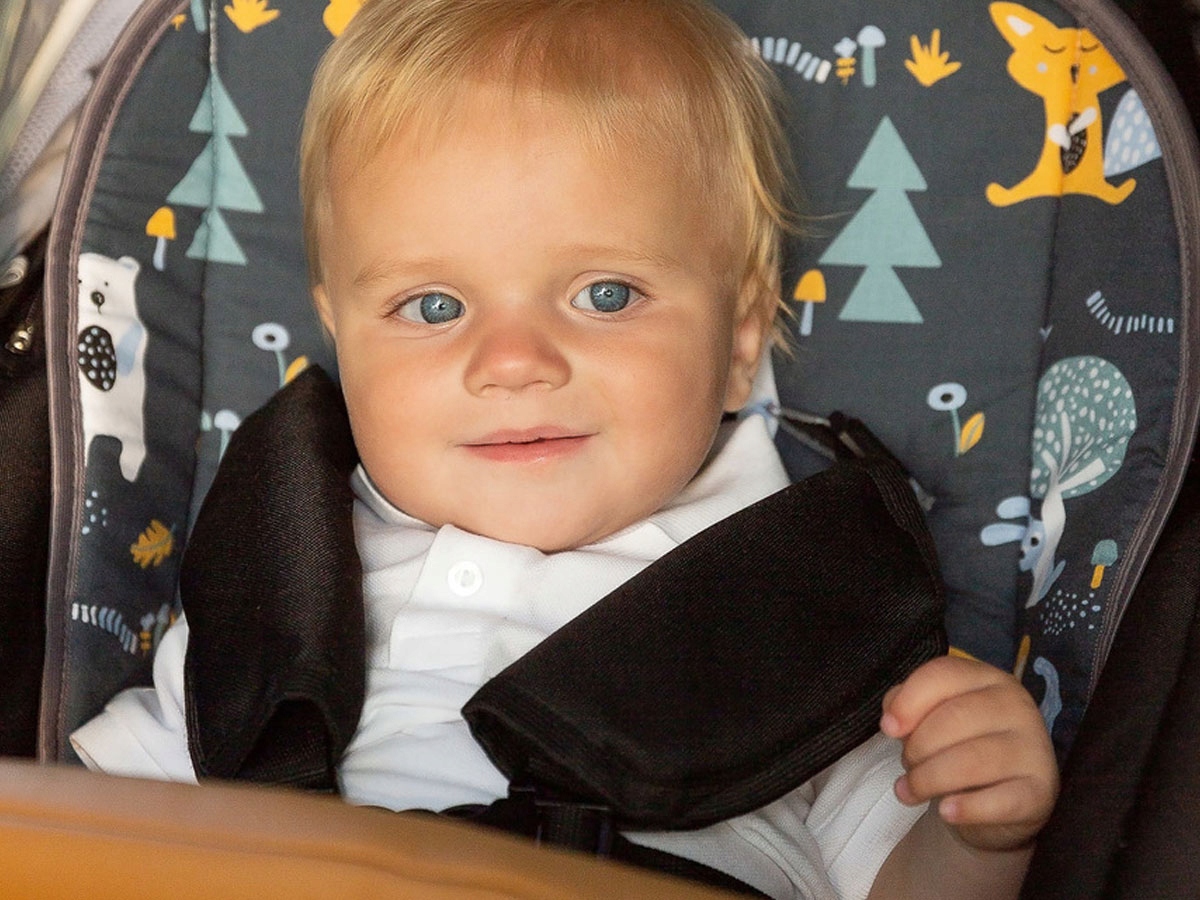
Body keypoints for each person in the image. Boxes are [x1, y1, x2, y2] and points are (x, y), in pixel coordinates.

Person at [71, 1, 1058, 897]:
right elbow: (97, 836)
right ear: (342, 338)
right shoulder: (284, 578)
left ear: (740, 341)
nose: (514, 361)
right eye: (432, 307)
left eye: (605, 295)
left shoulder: (800, 597)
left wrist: (979, 836)